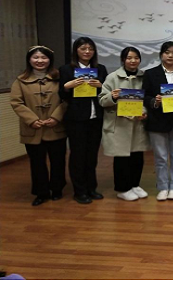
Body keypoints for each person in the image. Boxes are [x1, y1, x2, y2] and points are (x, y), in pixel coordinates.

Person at [10, 46, 67, 206]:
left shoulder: (59, 78)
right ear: (29, 60)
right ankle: (41, 192)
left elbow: (67, 99)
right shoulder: (20, 80)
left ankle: (57, 189)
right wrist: (32, 119)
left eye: (43, 57)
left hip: (55, 127)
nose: (40, 61)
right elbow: (16, 102)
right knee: (37, 163)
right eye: (36, 57)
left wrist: (56, 117)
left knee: (58, 161)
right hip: (33, 128)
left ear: (50, 60)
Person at [98, 47, 151, 201]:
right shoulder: (112, 77)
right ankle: (122, 188)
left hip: (137, 123)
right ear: (123, 60)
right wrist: (112, 96)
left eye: (136, 58)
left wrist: (144, 111)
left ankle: (135, 184)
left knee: (137, 156)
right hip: (119, 123)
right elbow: (102, 100)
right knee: (122, 157)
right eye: (129, 58)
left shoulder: (144, 77)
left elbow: (147, 98)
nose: (133, 61)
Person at [59, 37, 108, 204]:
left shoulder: (100, 69)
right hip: (76, 119)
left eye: (90, 49)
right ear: (76, 51)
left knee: (92, 155)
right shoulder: (66, 69)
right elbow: (61, 94)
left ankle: (91, 188)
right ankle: (79, 191)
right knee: (78, 155)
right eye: (83, 48)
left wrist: (101, 86)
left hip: (95, 117)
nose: (87, 52)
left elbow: (106, 92)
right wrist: (67, 86)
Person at [142, 41, 173, 201]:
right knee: (161, 157)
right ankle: (163, 186)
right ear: (161, 54)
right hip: (158, 120)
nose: (170, 55)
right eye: (167, 52)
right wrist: (155, 101)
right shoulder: (150, 74)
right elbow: (144, 96)